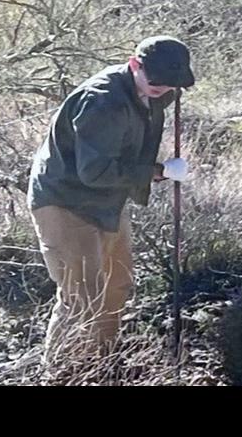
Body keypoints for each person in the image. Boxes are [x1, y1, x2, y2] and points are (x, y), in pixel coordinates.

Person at [25, 36, 195, 365]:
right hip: (64, 201)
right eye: (156, 80)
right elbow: (95, 172)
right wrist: (157, 171)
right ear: (135, 65)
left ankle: (100, 362)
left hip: (107, 200)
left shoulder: (157, 89)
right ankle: (65, 372)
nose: (163, 88)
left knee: (117, 283)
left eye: (172, 82)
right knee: (82, 296)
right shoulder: (102, 102)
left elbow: (164, 92)